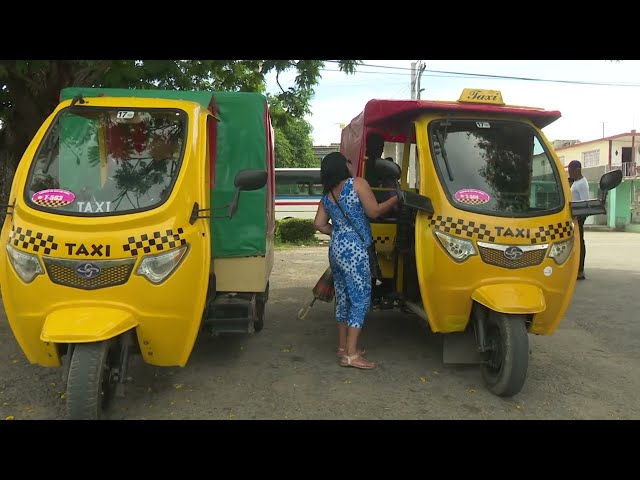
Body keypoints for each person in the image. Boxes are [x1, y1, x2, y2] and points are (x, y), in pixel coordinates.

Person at [314, 151, 400, 369]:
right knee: (360, 299)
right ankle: (351, 355)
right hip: (356, 251)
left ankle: (343, 347)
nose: (351, 164)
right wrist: (396, 199)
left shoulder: (328, 195)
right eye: (348, 162)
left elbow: (319, 224)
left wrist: (340, 233)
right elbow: (373, 211)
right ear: (343, 166)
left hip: (336, 249)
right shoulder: (357, 184)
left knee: (343, 299)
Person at [567, 160, 589, 280]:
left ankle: (580, 270)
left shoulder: (582, 183)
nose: (570, 174)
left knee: (580, 243)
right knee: (575, 243)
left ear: (577, 170)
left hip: (579, 217)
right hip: (574, 216)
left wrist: (579, 217)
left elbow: (584, 201)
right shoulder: (576, 182)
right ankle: (576, 269)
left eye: (571, 172)